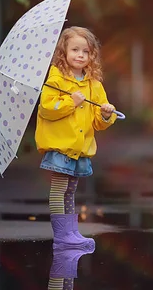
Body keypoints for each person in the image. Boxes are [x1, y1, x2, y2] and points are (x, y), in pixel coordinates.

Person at [35, 26, 116, 251]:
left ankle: (71, 232)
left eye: (86, 51)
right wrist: (72, 101)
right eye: (75, 50)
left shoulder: (94, 84)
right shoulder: (56, 77)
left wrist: (106, 114)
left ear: (92, 56)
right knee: (59, 189)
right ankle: (61, 235)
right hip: (61, 147)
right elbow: (47, 108)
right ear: (64, 51)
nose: (80, 55)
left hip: (80, 148)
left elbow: (98, 122)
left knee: (71, 190)